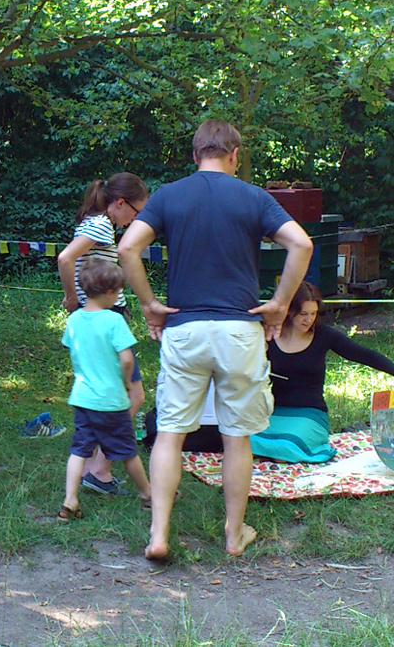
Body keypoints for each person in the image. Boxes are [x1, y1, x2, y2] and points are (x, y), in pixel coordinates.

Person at [117, 119, 313, 559]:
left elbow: (128, 249)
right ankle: (233, 533)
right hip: (239, 331)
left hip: (185, 328)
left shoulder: (168, 195)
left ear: (195, 155)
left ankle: (160, 536)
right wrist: (280, 304)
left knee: (169, 433)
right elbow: (301, 245)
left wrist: (149, 304)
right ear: (234, 155)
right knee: (236, 436)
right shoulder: (253, 196)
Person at [57, 173, 149, 495]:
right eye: (136, 212)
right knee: (132, 396)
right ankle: (99, 470)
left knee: (110, 398)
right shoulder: (101, 226)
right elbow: (66, 258)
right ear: (121, 203)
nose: (136, 220)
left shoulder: (97, 224)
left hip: (104, 317)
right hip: (108, 318)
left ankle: (95, 467)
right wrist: (72, 298)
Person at [251, 281, 394, 463]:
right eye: (303, 314)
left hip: (311, 414)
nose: (308, 319)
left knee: (288, 444)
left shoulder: (324, 335)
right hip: (275, 412)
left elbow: (364, 355)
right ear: (289, 310)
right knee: (242, 440)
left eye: (313, 314)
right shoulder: (271, 335)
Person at [59, 258, 151, 521]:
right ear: (109, 292)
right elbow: (126, 359)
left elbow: (73, 350)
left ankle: (70, 500)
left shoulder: (74, 319)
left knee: (79, 450)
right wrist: (124, 381)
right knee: (127, 451)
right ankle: (147, 494)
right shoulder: (114, 321)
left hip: (83, 398)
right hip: (111, 401)